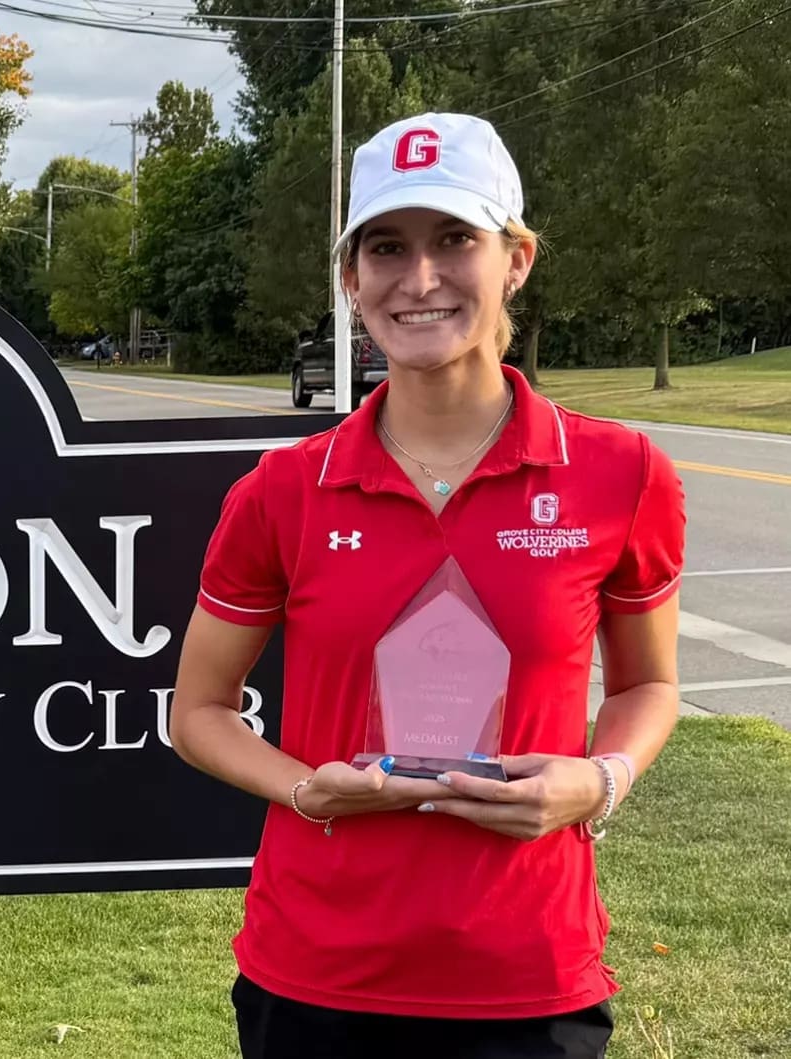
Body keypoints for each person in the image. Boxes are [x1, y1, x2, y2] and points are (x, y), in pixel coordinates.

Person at [170, 112, 685, 1058]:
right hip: (316, 972)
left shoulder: (620, 473)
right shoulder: (282, 491)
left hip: (529, 972)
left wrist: (600, 780)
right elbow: (196, 711)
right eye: (386, 247)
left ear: (517, 259)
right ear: (349, 277)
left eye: (456, 239)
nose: (420, 279)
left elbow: (650, 684)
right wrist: (302, 789)